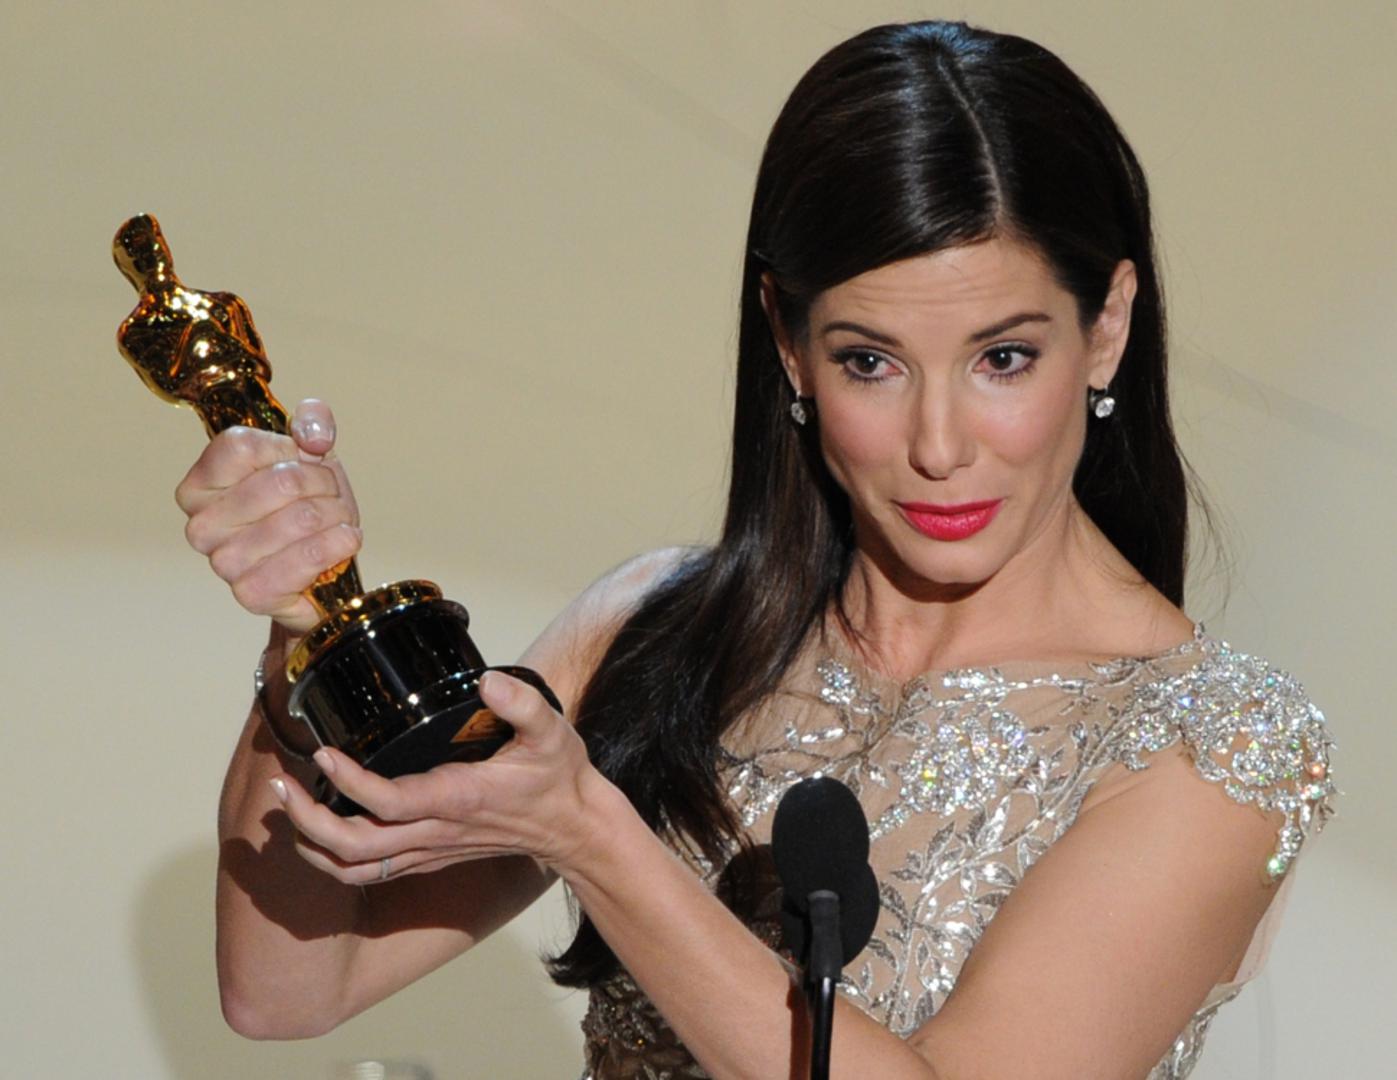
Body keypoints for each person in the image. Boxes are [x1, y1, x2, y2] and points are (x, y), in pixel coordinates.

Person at [180, 20, 1336, 1079]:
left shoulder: (1210, 745)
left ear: (1106, 328)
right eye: (869, 362)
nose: (938, 446)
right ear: (787, 342)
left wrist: (588, 835)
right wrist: (304, 637)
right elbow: (288, 989)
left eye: (1001, 359)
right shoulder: (664, 629)